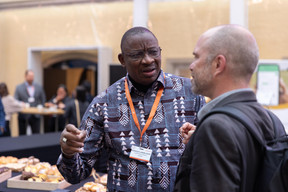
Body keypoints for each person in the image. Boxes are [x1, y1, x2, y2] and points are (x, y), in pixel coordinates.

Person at [57, 26, 206, 191]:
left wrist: (200, 141)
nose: (148, 60)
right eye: (137, 55)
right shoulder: (104, 103)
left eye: (153, 52)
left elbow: (210, 158)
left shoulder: (190, 93)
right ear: (122, 60)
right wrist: (68, 152)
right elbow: (76, 174)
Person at [173, 24, 287, 192]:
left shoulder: (215, 127)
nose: (191, 66)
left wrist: (209, 139)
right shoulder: (272, 120)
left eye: (196, 57)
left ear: (218, 64)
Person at [14, 69, 46, 135]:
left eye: (32, 76)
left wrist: (41, 106)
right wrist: (21, 104)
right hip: (23, 115)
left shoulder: (38, 87)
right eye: (30, 76)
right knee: (22, 135)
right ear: (25, 76)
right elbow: (15, 100)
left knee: (36, 135)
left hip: (36, 115)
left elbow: (43, 99)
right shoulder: (19, 87)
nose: (31, 78)